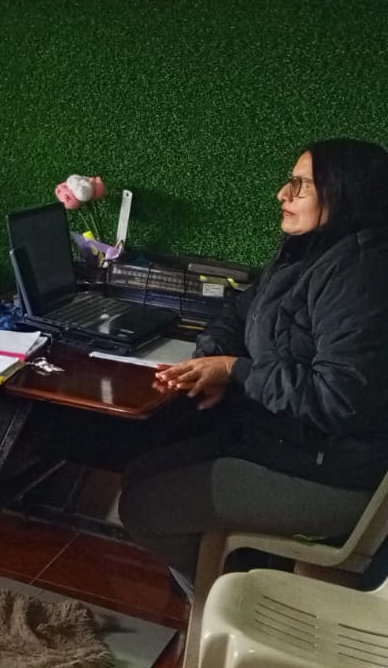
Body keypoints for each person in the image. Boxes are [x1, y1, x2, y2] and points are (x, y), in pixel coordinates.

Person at [118, 138, 388, 588]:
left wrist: (236, 372)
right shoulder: (308, 251)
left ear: (346, 194)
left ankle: (229, 604)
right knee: (139, 472)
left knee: (142, 507)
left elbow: (339, 399)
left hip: (334, 475)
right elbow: (240, 313)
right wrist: (210, 361)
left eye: (301, 185)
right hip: (282, 443)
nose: (282, 194)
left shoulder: (362, 273)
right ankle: (225, 588)